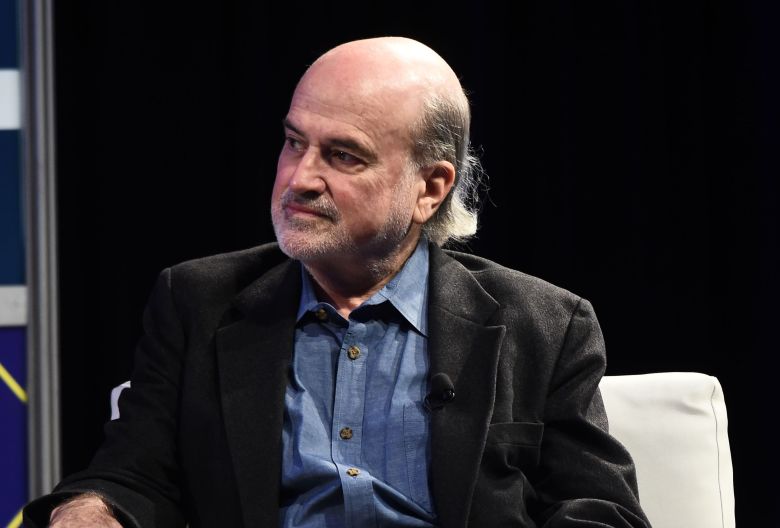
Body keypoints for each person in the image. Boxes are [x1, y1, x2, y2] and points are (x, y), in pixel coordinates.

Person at [24, 37, 650, 527]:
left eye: (343, 155)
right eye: (294, 142)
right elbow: (132, 477)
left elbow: (600, 510)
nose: (299, 178)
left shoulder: (544, 325)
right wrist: (90, 513)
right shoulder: (196, 302)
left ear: (430, 188)